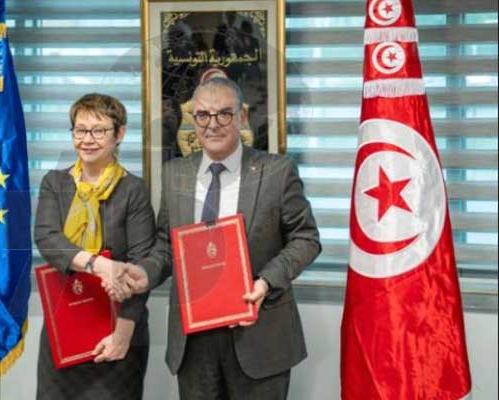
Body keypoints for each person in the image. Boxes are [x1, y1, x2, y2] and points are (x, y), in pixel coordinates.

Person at [127, 77, 321, 399]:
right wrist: (144, 273)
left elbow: (306, 239)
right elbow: (167, 244)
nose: (212, 124)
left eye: (224, 114)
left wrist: (265, 282)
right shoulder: (175, 173)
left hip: (258, 335)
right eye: (203, 115)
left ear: (242, 117)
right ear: (193, 119)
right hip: (194, 340)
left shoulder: (277, 171)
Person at [33, 93, 155, 399]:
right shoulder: (55, 183)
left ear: (119, 134)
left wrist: (123, 333)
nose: (87, 139)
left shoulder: (133, 190)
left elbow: (142, 264)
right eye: (80, 130)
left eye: (99, 131)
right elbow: (47, 237)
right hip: (64, 324)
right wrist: (101, 265)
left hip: (118, 326)